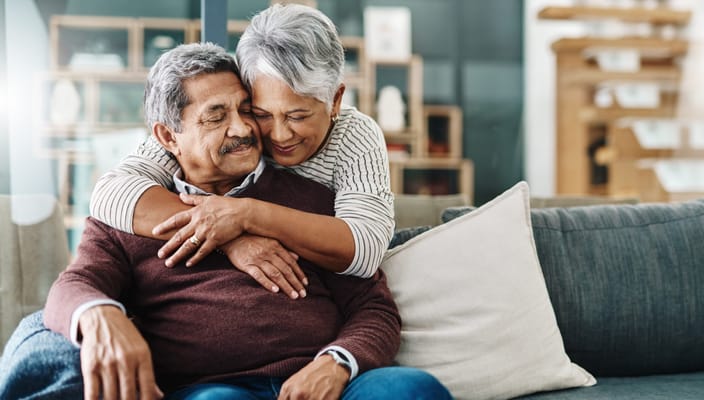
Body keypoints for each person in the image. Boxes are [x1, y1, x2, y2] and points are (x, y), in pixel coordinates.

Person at [0, 43, 451, 400]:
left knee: (413, 390)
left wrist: (337, 362)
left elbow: (373, 307)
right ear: (166, 137)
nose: (244, 128)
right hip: (211, 387)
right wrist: (99, 314)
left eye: (244, 109)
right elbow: (71, 286)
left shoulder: (311, 199)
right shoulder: (130, 213)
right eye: (216, 117)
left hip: (328, 381)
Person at [90, 3, 394, 299]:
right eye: (260, 113)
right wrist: (233, 237)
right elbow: (110, 194)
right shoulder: (231, 129)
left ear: (336, 100)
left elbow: (366, 249)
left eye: (297, 116)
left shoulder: (354, 135)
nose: (279, 134)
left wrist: (247, 215)